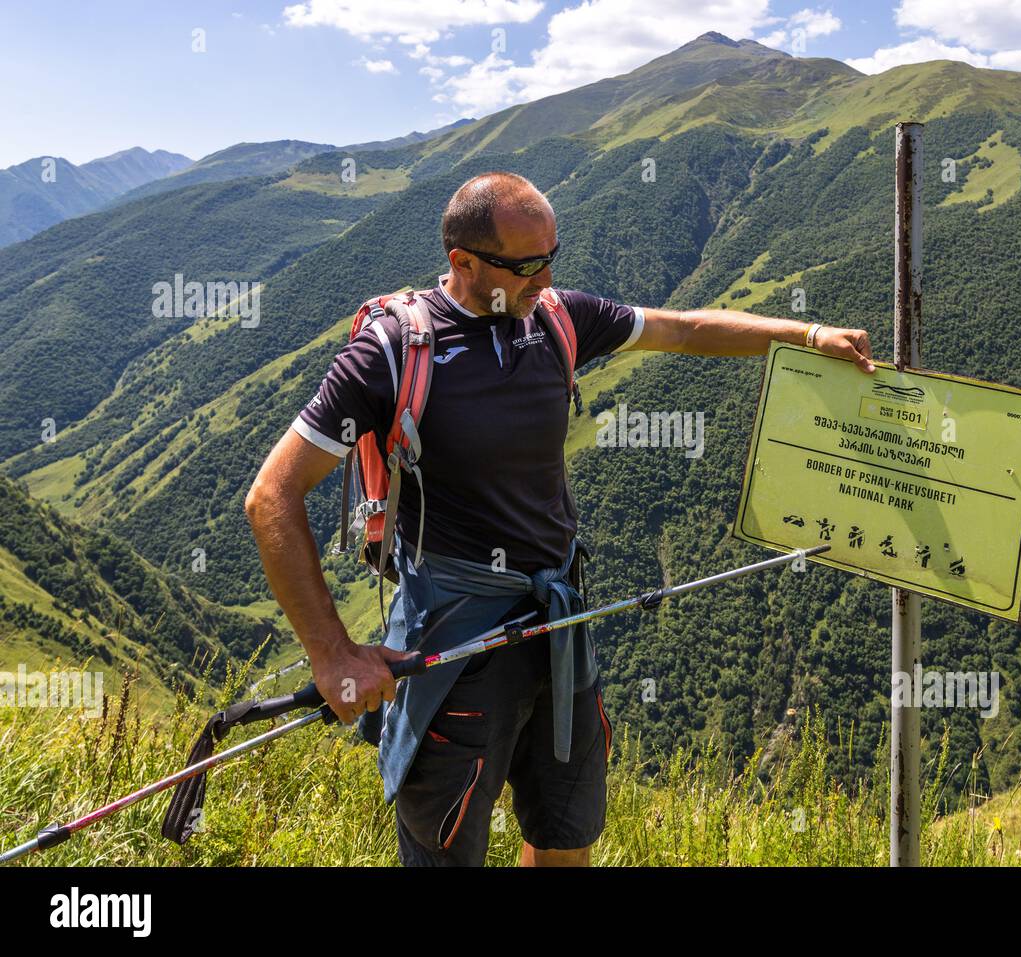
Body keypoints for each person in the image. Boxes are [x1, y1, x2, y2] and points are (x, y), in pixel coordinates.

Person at [243, 171, 875, 867]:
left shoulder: (556, 318)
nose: (547, 276)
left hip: (559, 625)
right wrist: (331, 652)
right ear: (464, 262)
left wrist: (808, 335)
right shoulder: (392, 353)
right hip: (459, 642)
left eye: (553, 256)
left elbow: (685, 328)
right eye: (528, 264)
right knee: (445, 852)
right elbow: (272, 495)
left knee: (565, 839)